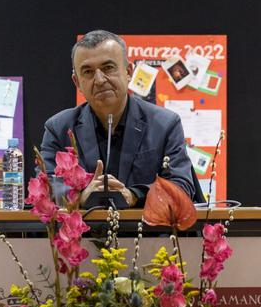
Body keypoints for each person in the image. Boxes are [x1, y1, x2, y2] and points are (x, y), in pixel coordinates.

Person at [40, 30, 202, 207]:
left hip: (147, 234)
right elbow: (45, 192)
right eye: (88, 72)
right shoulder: (59, 129)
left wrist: (133, 195)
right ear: (77, 82)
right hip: (84, 234)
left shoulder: (165, 125)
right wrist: (81, 197)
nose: (100, 80)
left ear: (129, 71)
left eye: (108, 68)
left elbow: (182, 187)